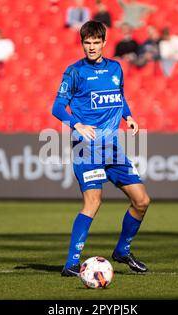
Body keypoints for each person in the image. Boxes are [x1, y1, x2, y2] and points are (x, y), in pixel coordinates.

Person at [52, 21, 150, 277]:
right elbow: (57, 108)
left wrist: (128, 117)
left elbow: (120, 98)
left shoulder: (116, 68)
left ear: (104, 43)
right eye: (87, 42)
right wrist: (77, 124)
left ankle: (122, 251)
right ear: (82, 43)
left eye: (96, 42)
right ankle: (72, 263)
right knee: (93, 202)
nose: (92, 47)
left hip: (113, 148)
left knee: (142, 201)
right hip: (87, 148)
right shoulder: (74, 72)